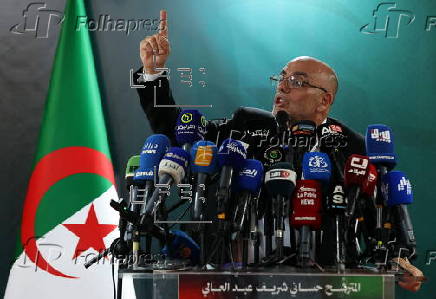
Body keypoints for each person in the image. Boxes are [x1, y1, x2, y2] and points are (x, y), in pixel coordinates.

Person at [133, 10, 422, 291]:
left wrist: (399, 258)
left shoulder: (352, 147)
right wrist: (153, 73)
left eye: (296, 82)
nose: (281, 86)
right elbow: (176, 133)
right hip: (232, 279)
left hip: (323, 283)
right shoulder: (244, 125)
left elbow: (380, 218)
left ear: (324, 101)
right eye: (281, 78)